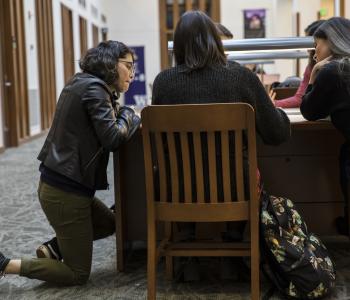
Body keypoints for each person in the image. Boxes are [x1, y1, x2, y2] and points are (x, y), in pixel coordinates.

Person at [0, 40, 141, 284]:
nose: (132, 73)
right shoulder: (95, 90)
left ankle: (54, 249)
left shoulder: (83, 82)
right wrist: (130, 113)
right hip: (65, 194)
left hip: (63, 186)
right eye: (128, 65)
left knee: (111, 224)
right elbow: (112, 138)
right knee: (78, 274)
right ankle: (6, 265)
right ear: (110, 63)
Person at [152, 11, 290, 240]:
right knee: (240, 171)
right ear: (215, 42)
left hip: (177, 188)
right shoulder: (241, 77)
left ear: (178, 46)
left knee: (179, 173)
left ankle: (187, 250)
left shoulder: (163, 82)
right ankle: (233, 243)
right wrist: (275, 110)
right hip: (236, 186)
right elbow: (276, 133)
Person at [300, 17, 350, 235]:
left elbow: (309, 111)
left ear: (331, 42)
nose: (314, 51)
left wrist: (313, 75)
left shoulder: (333, 72)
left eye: (317, 45)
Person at [273, 20, 326, 108]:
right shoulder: (311, 67)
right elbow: (300, 98)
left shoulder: (331, 68)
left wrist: (274, 104)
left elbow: (300, 100)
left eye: (310, 44)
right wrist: (274, 104)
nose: (307, 49)